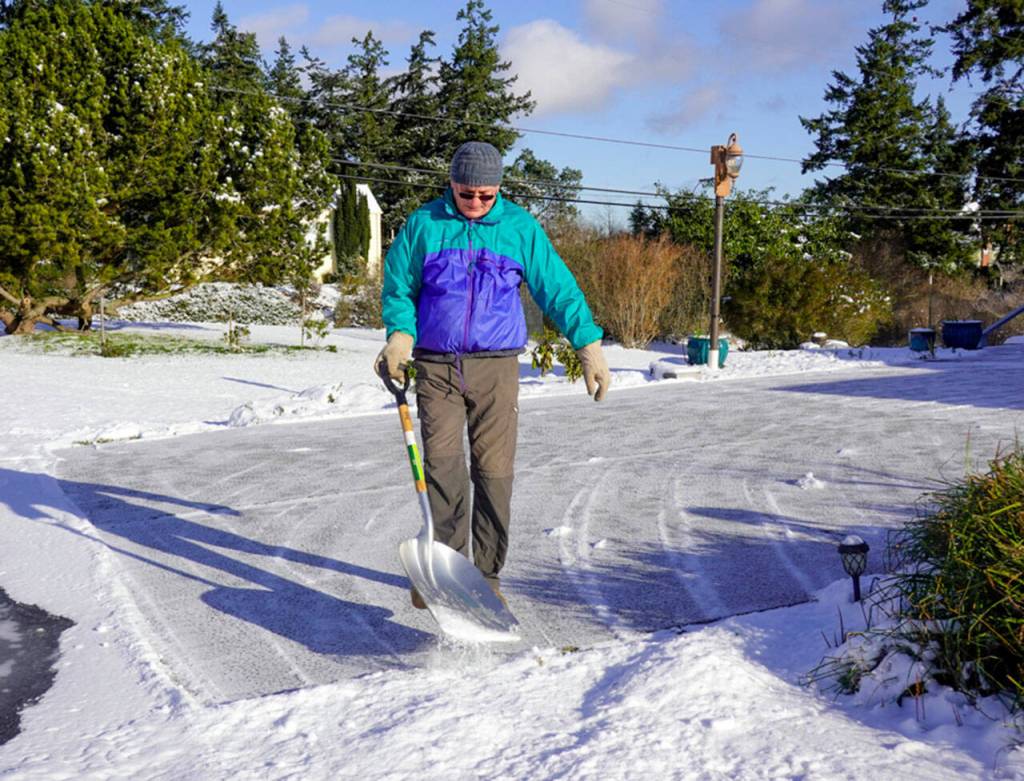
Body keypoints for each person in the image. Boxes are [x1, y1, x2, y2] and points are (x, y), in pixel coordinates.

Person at [377, 140, 610, 608]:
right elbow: (399, 286)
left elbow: (557, 288)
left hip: (497, 366)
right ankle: (446, 570)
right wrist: (400, 335)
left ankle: (486, 577)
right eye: (468, 194)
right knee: (441, 468)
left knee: (495, 473)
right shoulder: (424, 225)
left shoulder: (519, 228)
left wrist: (587, 344)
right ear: (452, 185)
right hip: (436, 365)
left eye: (488, 195)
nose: (478, 203)